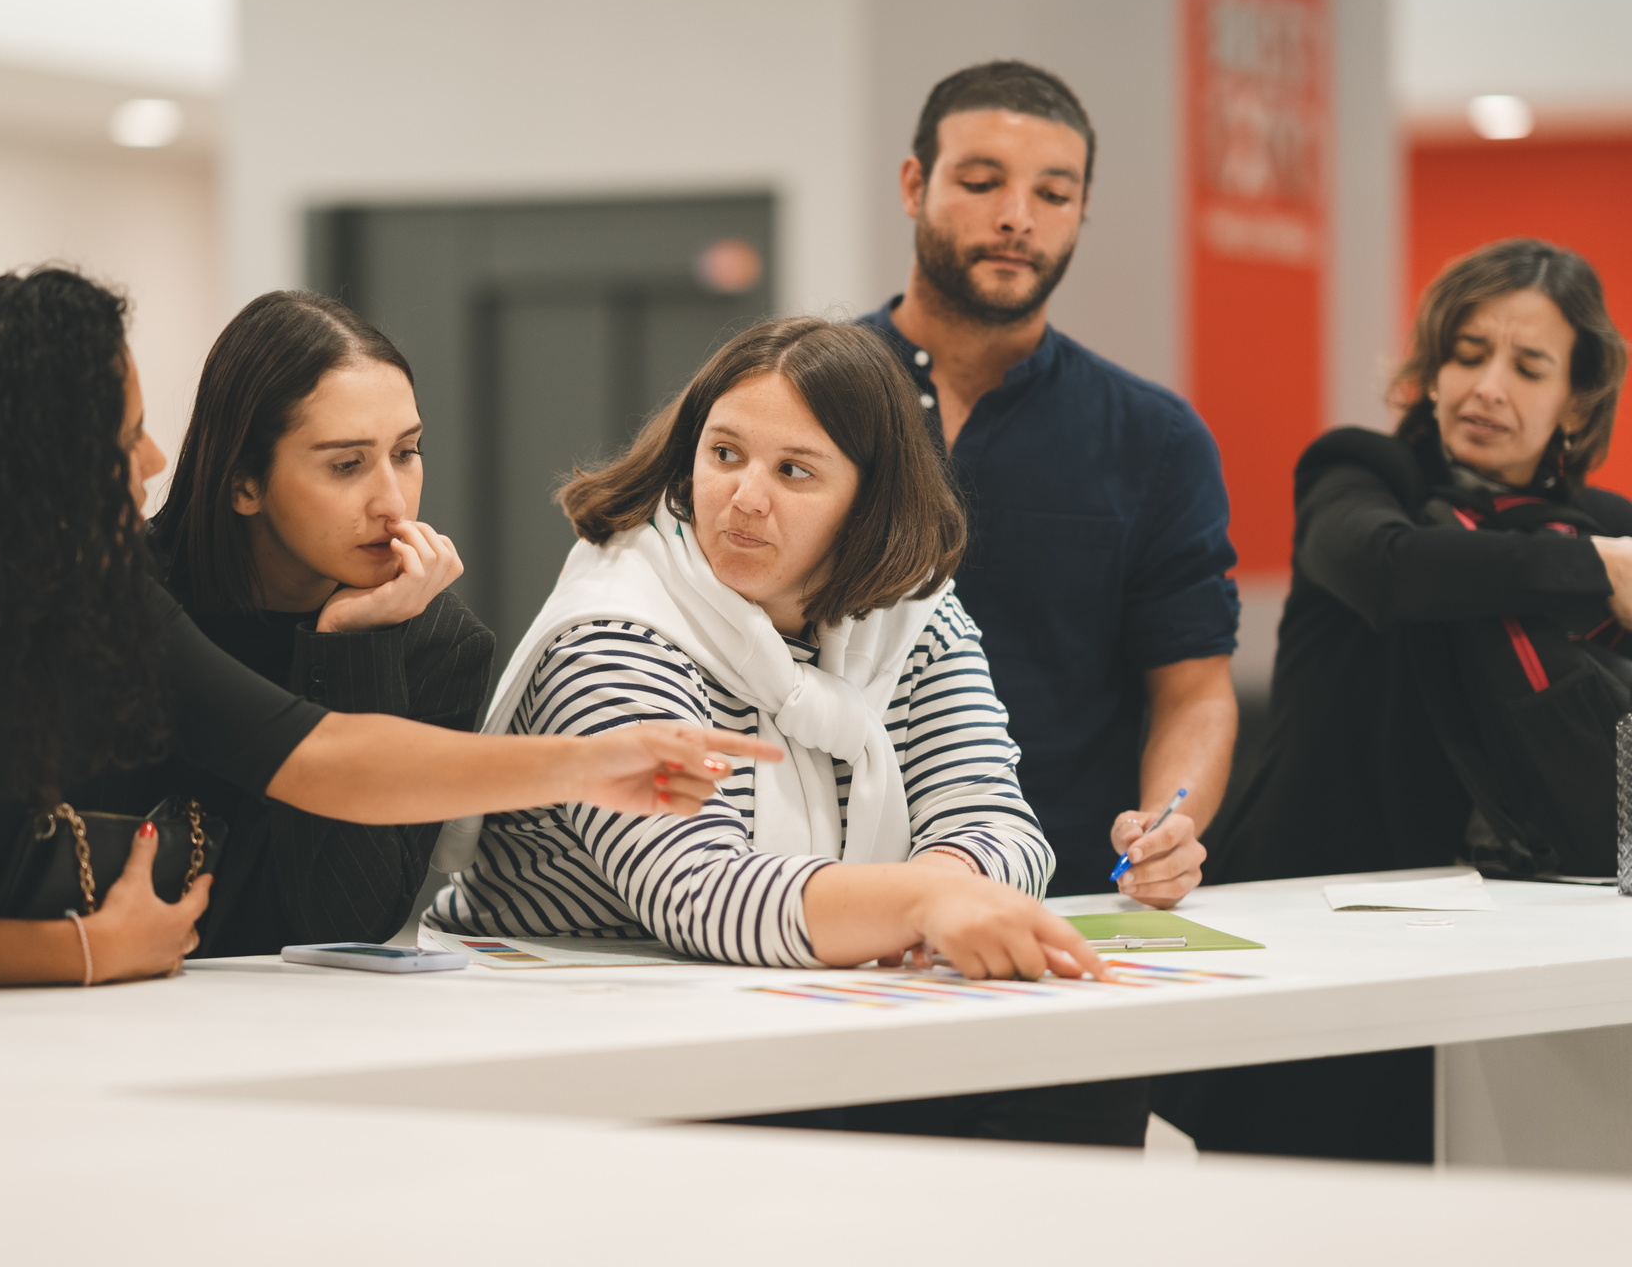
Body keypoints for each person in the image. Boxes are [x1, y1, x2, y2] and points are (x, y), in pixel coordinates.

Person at [0, 267, 772, 991]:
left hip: (44, 1038)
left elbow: (321, 760)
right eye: (122, 437)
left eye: (405, 451)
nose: (150, 460)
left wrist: (597, 763)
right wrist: (85, 951)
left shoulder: (89, 594)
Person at [426, 316, 1105, 988]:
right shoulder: (612, 632)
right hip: (554, 1019)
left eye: (794, 471)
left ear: (869, 502)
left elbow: (996, 819)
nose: (745, 499)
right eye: (724, 455)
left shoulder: (917, 619)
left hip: (789, 1012)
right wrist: (919, 906)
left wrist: (946, 882)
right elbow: (699, 892)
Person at [1159, 237, 1632, 1162]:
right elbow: (1391, 570)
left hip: (1526, 926)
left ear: (1577, 399)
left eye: (1528, 366)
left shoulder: (1610, 525)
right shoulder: (1363, 473)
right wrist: (1595, 570)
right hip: (1324, 910)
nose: (1487, 387)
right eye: (1467, 354)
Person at [855, 59, 1241, 1145]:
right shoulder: (803, 402)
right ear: (913, 184)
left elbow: (1196, 689)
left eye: (1053, 192)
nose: (1017, 217)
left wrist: (1170, 826)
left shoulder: (1153, 441)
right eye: (981, 180)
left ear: (1080, 211)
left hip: (1057, 928)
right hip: (824, 924)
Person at [142, 291, 491, 954]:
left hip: (297, 1031)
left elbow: (347, 926)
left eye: (407, 452)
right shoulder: (125, 601)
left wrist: (353, 649)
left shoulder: (439, 646)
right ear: (244, 482)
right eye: (346, 464)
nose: (392, 502)